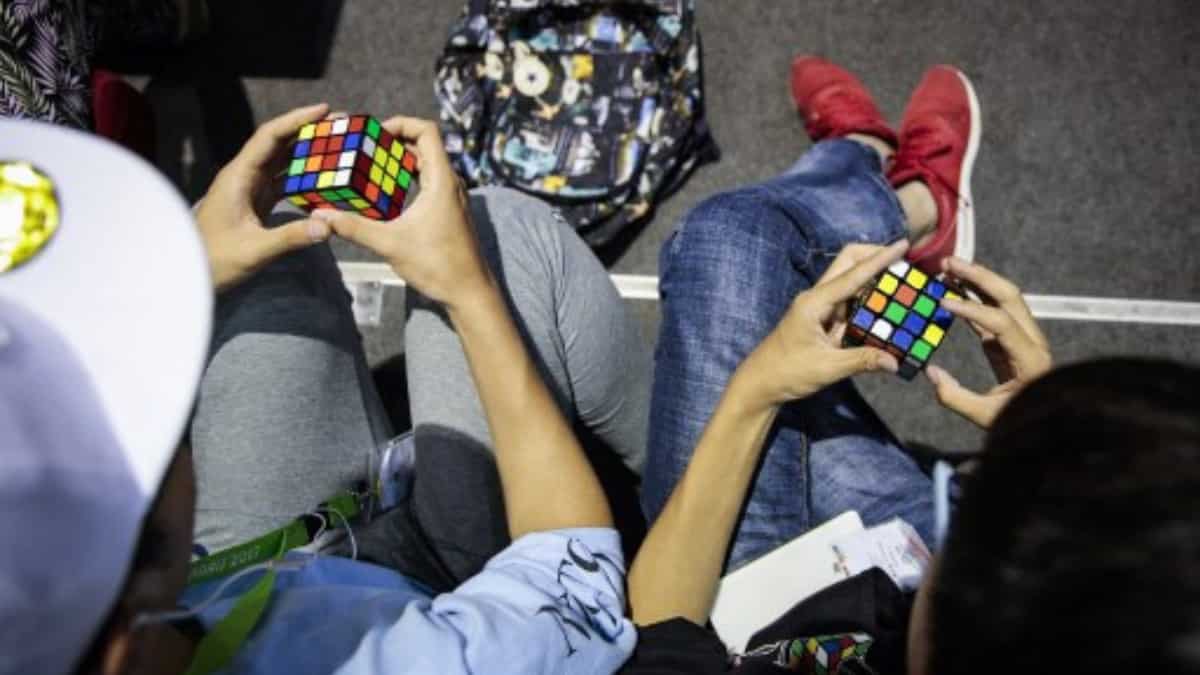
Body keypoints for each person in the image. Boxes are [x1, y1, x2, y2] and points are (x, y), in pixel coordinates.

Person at [0, 103, 652, 675]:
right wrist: (467, 288)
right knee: (501, 231)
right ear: (121, 641)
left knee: (258, 246)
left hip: (229, 586)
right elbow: (574, 583)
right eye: (126, 409)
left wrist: (187, 277)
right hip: (438, 592)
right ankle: (680, 500)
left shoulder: (86, 630)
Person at [619, 57, 1050, 673]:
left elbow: (658, 627)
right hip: (913, 596)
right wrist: (1043, 447)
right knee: (779, 299)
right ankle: (908, 198)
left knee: (731, 241)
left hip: (752, 631)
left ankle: (871, 165)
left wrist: (756, 390)